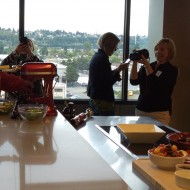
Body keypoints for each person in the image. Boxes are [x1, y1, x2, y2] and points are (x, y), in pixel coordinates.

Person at [130, 38, 178, 125]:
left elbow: (155, 84)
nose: (158, 52)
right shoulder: (149, 66)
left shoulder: (172, 70)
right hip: (141, 110)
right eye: (156, 49)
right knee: (140, 138)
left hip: (159, 114)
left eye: (162, 49)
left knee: (159, 138)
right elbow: (134, 81)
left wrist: (147, 65)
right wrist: (134, 62)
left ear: (169, 52)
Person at [87, 32, 128, 116]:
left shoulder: (97, 57)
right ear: (109, 45)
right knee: (104, 127)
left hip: (96, 98)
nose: (115, 49)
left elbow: (103, 77)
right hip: (102, 101)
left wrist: (117, 70)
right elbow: (106, 83)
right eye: (115, 46)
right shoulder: (102, 59)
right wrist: (119, 70)